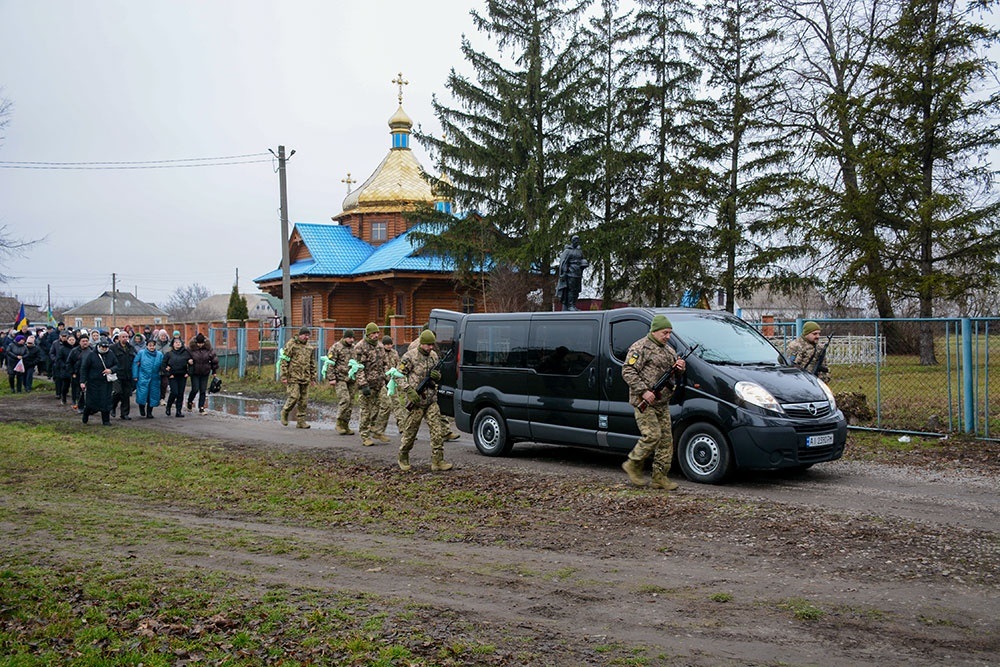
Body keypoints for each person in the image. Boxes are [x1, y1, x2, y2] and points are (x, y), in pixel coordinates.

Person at [620, 315, 686, 491]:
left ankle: (659, 477)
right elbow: (627, 371)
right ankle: (633, 464)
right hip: (644, 402)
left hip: (661, 403)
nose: (668, 336)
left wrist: (680, 368)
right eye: (665, 332)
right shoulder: (640, 347)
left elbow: (674, 374)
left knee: (666, 441)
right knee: (652, 436)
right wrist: (644, 391)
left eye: (670, 333)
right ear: (655, 331)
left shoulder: (668, 350)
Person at [396, 329, 453, 472]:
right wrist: (408, 389)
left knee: (437, 430)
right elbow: (398, 375)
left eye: (432, 344)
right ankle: (403, 456)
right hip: (416, 402)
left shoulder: (433, 356)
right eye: (428, 345)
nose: (431, 347)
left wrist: (437, 376)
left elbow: (438, 375)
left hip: (431, 400)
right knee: (410, 431)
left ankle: (438, 461)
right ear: (421, 344)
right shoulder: (410, 357)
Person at [352, 322, 389, 446]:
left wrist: (388, 379)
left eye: (377, 333)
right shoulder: (360, 347)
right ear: (368, 334)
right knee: (366, 411)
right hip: (367, 384)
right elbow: (357, 367)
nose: (376, 335)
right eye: (373, 333)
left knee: (386, 406)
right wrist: (363, 384)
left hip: (380, 383)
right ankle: (365, 436)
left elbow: (385, 363)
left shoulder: (380, 346)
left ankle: (378, 430)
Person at [278, 327, 317, 429]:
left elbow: (312, 363)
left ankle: (301, 421)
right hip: (293, 376)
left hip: (305, 376)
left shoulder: (309, 347)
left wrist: (313, 377)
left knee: (304, 400)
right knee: (294, 396)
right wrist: (284, 376)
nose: (306, 337)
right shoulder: (292, 344)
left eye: (308, 335)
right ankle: (285, 411)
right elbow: (284, 360)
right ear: (300, 335)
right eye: (305, 335)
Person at [79, 336, 118, 426]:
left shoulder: (111, 354)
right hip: (93, 382)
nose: (104, 349)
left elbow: (117, 365)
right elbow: (84, 368)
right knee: (91, 401)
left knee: (106, 401)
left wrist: (111, 370)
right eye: (102, 347)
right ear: (99, 346)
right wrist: (82, 381)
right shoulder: (92, 355)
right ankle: (86, 413)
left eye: (106, 347)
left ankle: (106, 420)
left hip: (106, 382)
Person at [325, 329, 357, 435]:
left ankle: (345, 424)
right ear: (344, 337)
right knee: (345, 399)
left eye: (353, 338)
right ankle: (339, 422)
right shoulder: (336, 347)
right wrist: (331, 378)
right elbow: (330, 363)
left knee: (351, 402)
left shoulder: (353, 348)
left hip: (351, 378)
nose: (352, 340)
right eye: (349, 338)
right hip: (340, 378)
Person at [374, 335, 407, 437]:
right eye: (387, 344)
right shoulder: (380, 354)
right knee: (385, 406)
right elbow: (378, 368)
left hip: (393, 383)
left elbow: (398, 364)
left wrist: (397, 374)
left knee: (397, 404)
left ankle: (402, 428)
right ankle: (378, 429)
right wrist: (385, 377)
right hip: (383, 383)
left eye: (390, 344)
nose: (389, 346)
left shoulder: (394, 353)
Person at [186, 333, 219, 414]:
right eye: (198, 343)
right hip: (195, 372)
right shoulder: (191, 349)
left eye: (201, 343)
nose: (200, 345)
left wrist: (214, 371)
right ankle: (189, 401)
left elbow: (214, 360)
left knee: (203, 390)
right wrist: (188, 361)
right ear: (196, 342)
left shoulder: (209, 349)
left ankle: (201, 407)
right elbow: (185, 357)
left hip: (205, 372)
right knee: (195, 389)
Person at [162, 337, 193, 417]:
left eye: (179, 342)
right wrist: (168, 374)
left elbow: (191, 363)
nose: (178, 343)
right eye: (176, 342)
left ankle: (178, 411)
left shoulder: (186, 353)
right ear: (173, 344)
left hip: (182, 375)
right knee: (174, 392)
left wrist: (188, 372)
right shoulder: (169, 354)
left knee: (180, 393)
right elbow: (163, 365)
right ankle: (168, 406)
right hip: (173, 376)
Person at [133, 338, 164, 418]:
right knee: (142, 394)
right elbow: (135, 363)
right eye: (150, 345)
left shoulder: (159, 355)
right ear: (146, 346)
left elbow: (162, 365)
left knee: (153, 395)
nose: (152, 347)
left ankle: (149, 412)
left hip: (155, 377)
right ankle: (142, 407)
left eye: (153, 345)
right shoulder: (141, 353)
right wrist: (135, 375)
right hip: (143, 376)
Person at [556, 234, 588, 311]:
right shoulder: (568, 251)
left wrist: (583, 264)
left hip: (578, 273)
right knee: (571, 289)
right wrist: (563, 273)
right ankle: (570, 305)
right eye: (575, 240)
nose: (577, 242)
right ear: (572, 241)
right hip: (570, 273)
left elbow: (582, 260)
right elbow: (564, 262)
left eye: (578, 241)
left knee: (576, 290)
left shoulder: (579, 251)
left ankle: (573, 304)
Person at [110, 331, 136, 420]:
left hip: (127, 374)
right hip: (117, 374)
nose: (125, 338)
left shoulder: (131, 348)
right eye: (123, 337)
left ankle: (124, 413)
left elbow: (135, 359)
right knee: (117, 392)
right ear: (119, 338)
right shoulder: (113, 348)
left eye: (126, 337)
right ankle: (112, 407)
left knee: (126, 394)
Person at [68, 333, 91, 412]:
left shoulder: (91, 351)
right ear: (79, 342)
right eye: (83, 341)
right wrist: (72, 373)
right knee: (77, 390)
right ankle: (78, 405)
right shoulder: (74, 351)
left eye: (86, 341)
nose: (85, 343)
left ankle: (86, 406)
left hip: (88, 374)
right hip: (77, 374)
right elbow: (69, 363)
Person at [52, 330, 74, 404]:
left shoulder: (76, 349)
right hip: (65, 369)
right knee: (65, 385)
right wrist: (63, 365)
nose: (71, 341)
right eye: (70, 340)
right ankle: (63, 397)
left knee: (75, 386)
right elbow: (59, 358)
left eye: (73, 340)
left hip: (74, 370)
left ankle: (75, 400)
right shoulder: (63, 348)